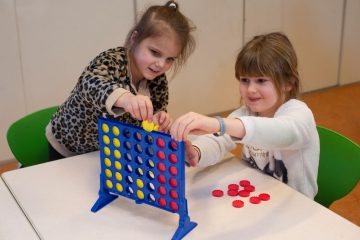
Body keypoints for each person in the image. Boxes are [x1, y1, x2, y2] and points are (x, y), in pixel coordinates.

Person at [170, 32, 319, 199]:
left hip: (297, 208)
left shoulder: (300, 114)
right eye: (245, 80)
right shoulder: (246, 113)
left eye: (261, 80)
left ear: (288, 83)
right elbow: (217, 140)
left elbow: (282, 132)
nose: (251, 89)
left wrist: (220, 124)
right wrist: (196, 152)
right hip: (263, 198)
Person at [46, 1, 195, 160]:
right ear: (135, 38)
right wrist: (126, 99)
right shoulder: (112, 60)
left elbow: (155, 112)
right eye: (154, 52)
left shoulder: (158, 80)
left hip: (106, 148)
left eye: (170, 59)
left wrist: (159, 118)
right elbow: (91, 84)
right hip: (68, 145)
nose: (161, 64)